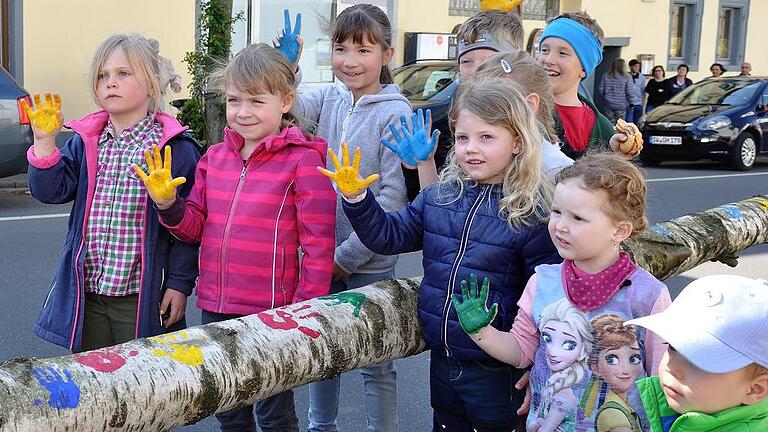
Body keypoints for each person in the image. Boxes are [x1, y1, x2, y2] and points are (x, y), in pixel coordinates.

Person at [323, 78, 561, 431]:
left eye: (486, 137)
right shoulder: (440, 197)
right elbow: (388, 237)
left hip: (500, 369)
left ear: (518, 142)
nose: (470, 149)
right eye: (463, 138)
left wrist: (539, 367)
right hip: (444, 359)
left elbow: (548, 301)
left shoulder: (533, 214)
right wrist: (358, 199)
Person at [134, 43, 336, 432]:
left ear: (285, 101)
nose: (243, 112)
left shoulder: (304, 159)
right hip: (216, 304)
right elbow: (192, 227)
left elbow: (318, 244)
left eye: (256, 101)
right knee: (229, 407)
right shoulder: (214, 158)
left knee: (273, 410)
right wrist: (167, 204)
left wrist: (304, 311)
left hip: (274, 311)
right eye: (234, 100)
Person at [452, 153, 672, 431]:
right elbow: (523, 351)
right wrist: (481, 332)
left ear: (620, 230)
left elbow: (663, 376)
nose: (560, 226)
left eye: (577, 218)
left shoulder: (648, 295)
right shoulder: (543, 282)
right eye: (556, 212)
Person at [277, 5, 411, 431]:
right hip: (321, 254)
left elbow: (393, 198)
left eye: (363, 50)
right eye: (340, 49)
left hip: (368, 261)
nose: (350, 61)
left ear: (387, 54)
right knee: (325, 352)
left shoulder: (395, 112)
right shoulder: (329, 97)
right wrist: (287, 67)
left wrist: (345, 258)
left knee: (376, 360)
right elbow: (288, 107)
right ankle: (321, 426)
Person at [24, 34, 200, 352]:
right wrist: (45, 143)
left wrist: (179, 283)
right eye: (103, 76)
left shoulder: (175, 149)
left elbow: (189, 231)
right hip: (87, 293)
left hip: (141, 296)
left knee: (147, 382)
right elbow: (50, 191)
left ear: (152, 85)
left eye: (123, 74)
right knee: (95, 383)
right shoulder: (86, 142)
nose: (110, 83)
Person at [627, 275, 768, 431]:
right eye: (673, 346)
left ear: (755, 389)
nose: (672, 367)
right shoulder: (680, 409)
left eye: (699, 361)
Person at [537, 12, 616, 159]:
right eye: (545, 50)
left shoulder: (602, 129)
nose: (548, 59)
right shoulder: (522, 108)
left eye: (562, 53)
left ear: (584, 68)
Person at [599, 58, 633, 124]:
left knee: (610, 123)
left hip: (608, 104)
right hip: (621, 105)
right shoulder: (627, 76)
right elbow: (629, 91)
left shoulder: (606, 75)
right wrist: (631, 102)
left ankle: (611, 134)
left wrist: (605, 97)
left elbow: (601, 89)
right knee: (621, 125)